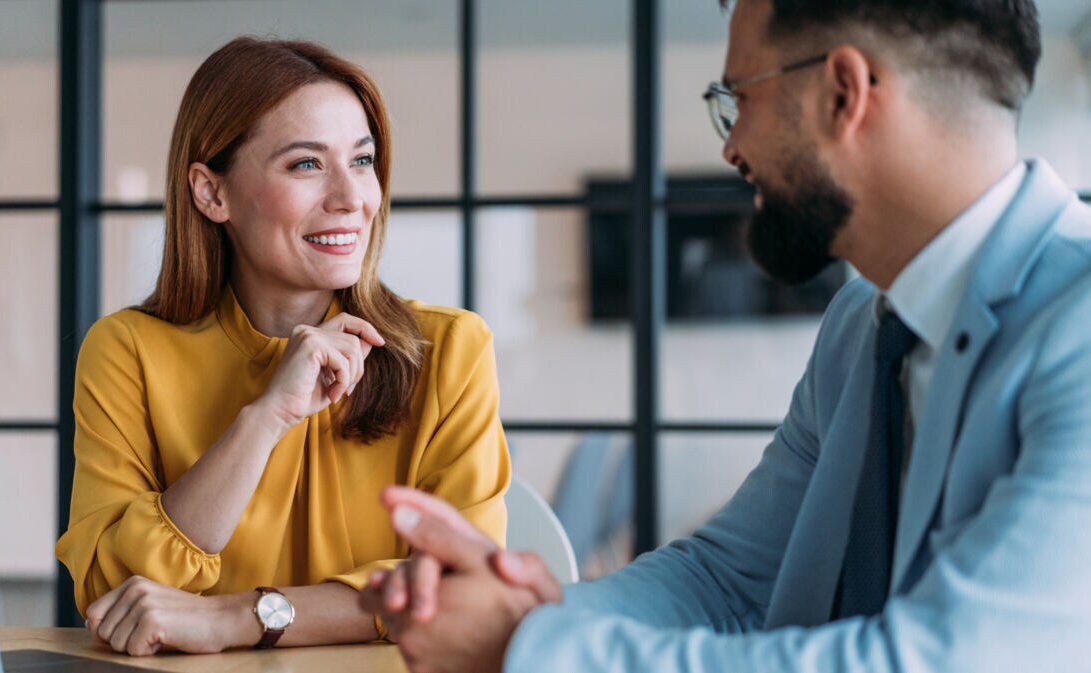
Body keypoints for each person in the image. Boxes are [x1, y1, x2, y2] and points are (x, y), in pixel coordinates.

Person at [360, 0, 1091, 671]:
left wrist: (531, 645)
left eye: (738, 98)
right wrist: (530, 607)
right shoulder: (858, 325)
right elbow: (731, 576)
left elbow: (949, 659)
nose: (731, 146)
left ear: (844, 93)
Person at [54, 36, 510, 656]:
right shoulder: (126, 351)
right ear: (212, 193)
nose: (353, 198)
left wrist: (239, 618)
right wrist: (267, 418)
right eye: (306, 164)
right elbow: (118, 596)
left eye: (362, 160)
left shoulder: (449, 351)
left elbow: (462, 590)